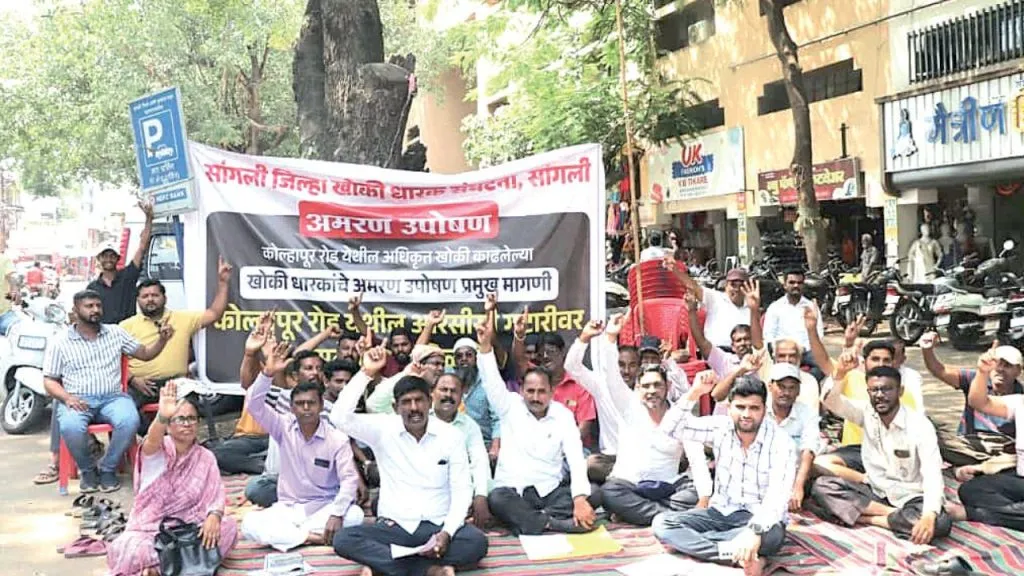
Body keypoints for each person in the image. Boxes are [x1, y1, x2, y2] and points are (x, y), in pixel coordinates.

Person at [331, 346, 488, 576]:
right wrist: (366, 372)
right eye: (406, 402)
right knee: (344, 539)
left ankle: (386, 564)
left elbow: (462, 490)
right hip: (394, 526)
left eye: (419, 401)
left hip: (436, 526)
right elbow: (338, 417)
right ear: (395, 407)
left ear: (429, 401)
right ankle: (429, 570)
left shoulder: (451, 436)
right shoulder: (383, 429)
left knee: (477, 543)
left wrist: (446, 533)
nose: (414, 408)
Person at [653, 375, 796, 576]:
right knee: (663, 524)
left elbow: (778, 496)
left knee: (772, 537)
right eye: (740, 407)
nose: (746, 414)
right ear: (729, 407)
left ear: (764, 409)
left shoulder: (782, 442)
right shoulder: (720, 427)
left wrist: (754, 532)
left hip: (759, 518)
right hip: (719, 513)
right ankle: (739, 555)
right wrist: (694, 393)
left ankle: (718, 548)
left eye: (754, 408)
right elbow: (670, 429)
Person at [569, 321, 709, 526]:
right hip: (631, 486)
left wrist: (704, 500)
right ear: (637, 389)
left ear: (667, 387)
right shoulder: (628, 407)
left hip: (668, 487)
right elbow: (611, 377)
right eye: (646, 386)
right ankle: (671, 518)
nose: (651, 391)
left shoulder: (681, 415)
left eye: (657, 385)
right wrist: (609, 339)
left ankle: (645, 514)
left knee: (696, 492)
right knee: (610, 492)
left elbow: (697, 460)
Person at [475, 302, 597, 535]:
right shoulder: (509, 405)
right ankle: (551, 523)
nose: (535, 397)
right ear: (522, 391)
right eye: (530, 391)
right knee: (498, 498)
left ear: (551, 393)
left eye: (541, 392)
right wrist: (484, 345)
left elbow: (575, 457)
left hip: (549, 491)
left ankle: (530, 521)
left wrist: (580, 499)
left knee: (595, 492)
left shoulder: (562, 415)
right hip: (514, 490)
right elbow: (491, 379)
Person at [43, 290, 174, 493]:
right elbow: (49, 380)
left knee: (130, 420)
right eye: (89, 306)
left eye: (98, 306)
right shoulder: (60, 341)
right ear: (76, 311)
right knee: (70, 427)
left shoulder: (115, 333)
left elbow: (145, 354)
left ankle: (108, 468)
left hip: (113, 398)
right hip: (77, 399)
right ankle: (88, 471)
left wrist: (162, 340)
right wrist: (67, 398)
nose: (95, 310)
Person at [240, 340, 364, 552]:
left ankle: (290, 535)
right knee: (248, 524)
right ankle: (311, 537)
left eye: (311, 403)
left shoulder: (336, 438)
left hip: (325, 507)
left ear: (321, 405)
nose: (306, 409)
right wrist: (267, 374)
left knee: (355, 516)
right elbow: (254, 404)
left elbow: (349, 479)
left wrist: (336, 514)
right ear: (292, 407)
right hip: (289, 508)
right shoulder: (283, 427)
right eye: (300, 404)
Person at [105, 381, 237, 576]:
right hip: (151, 530)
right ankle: (180, 566)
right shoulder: (158, 450)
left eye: (192, 419)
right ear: (168, 426)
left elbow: (215, 495)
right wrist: (162, 417)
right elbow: (151, 441)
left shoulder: (205, 457)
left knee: (228, 528)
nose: (187, 424)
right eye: (180, 419)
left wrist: (214, 517)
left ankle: (160, 569)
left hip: (190, 529)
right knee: (131, 550)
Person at [810, 366, 952, 544]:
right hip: (876, 491)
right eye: (874, 390)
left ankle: (866, 518)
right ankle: (891, 517)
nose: (879, 395)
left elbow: (932, 474)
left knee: (940, 524)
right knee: (822, 487)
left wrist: (929, 515)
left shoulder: (920, 426)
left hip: (911, 496)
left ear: (900, 391)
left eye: (886, 389)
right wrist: (839, 375)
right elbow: (830, 401)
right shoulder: (867, 413)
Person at [121, 259, 231, 429]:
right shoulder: (126, 326)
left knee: (191, 409)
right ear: (138, 300)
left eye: (155, 295)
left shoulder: (182, 319)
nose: (150, 300)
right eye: (145, 296)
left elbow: (215, 313)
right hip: (140, 386)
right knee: (125, 415)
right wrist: (133, 379)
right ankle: (154, 443)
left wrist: (223, 283)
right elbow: (111, 360)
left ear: (164, 298)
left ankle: (194, 445)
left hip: (176, 383)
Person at [946, 344, 1024, 531]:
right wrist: (982, 372)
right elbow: (978, 402)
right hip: (1019, 480)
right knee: (970, 490)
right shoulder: (1020, 402)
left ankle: (974, 514)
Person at [920, 331, 1022, 469]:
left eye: (1007, 366)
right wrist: (927, 350)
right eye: (997, 364)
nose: (1000, 369)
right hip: (968, 443)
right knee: (928, 433)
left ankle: (987, 466)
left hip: (1003, 448)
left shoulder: (1020, 397)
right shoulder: (976, 378)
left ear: (1018, 371)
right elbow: (939, 370)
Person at [432, 372, 493, 527]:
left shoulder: (469, 426)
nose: (448, 395)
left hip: (460, 488)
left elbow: (479, 461)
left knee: (496, 498)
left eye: (454, 391)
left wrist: (480, 496)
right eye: (443, 390)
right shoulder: (422, 420)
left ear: (461, 396)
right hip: (428, 489)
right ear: (432, 393)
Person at [666, 255, 753, 350]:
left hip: (745, 352)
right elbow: (693, 286)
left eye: (741, 285)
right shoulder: (715, 298)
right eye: (733, 285)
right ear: (726, 286)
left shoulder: (752, 306)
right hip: (717, 352)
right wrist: (675, 270)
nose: (736, 289)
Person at [88, 200, 154, 324]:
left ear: (118, 258)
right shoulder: (92, 288)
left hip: (128, 333)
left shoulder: (128, 276)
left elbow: (142, 247)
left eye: (112, 256)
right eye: (105, 256)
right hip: (104, 335)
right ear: (99, 259)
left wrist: (149, 218)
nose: (108, 259)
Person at [762, 270, 823, 373]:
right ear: (785, 285)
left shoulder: (811, 307)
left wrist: (803, 349)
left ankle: (807, 386)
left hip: (805, 352)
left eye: (799, 283)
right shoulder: (775, 307)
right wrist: (780, 349)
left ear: (803, 285)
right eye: (792, 282)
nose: (796, 285)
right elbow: (768, 335)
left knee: (823, 365)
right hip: (782, 351)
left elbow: (819, 334)